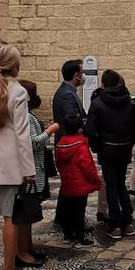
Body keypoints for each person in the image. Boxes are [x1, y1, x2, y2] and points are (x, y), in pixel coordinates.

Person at [0, 45, 37, 270]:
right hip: (11, 164)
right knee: (10, 219)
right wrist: (29, 169)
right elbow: (22, 135)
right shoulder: (18, 92)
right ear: (15, 65)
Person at [84, 69, 135, 239]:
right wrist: (128, 143)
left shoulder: (98, 102)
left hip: (107, 148)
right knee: (121, 184)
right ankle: (128, 222)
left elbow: (90, 129)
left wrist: (96, 146)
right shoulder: (129, 102)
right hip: (123, 148)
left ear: (103, 83)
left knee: (111, 185)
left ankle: (115, 224)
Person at [20, 79, 57, 267]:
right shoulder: (25, 116)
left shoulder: (27, 115)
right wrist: (50, 131)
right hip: (30, 172)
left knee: (28, 215)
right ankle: (22, 252)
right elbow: (32, 142)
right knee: (24, 215)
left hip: (34, 171)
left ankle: (28, 247)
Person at [55, 114, 102, 242]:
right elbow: (87, 166)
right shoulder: (80, 146)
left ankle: (67, 234)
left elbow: (58, 163)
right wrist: (95, 180)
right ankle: (80, 237)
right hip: (80, 185)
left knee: (67, 209)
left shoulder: (60, 144)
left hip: (67, 183)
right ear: (79, 128)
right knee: (79, 211)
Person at [52, 60, 86, 234]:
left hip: (69, 144)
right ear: (76, 75)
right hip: (69, 145)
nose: (83, 76)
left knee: (68, 184)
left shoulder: (69, 92)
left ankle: (62, 217)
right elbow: (72, 120)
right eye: (82, 72)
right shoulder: (67, 94)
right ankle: (71, 224)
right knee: (73, 184)